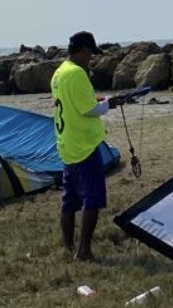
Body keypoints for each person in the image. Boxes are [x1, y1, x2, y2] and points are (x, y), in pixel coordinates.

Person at [52, 31, 129, 262]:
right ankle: (84, 251)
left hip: (66, 144)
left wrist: (101, 102)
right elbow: (89, 110)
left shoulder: (59, 73)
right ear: (83, 50)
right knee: (91, 199)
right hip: (83, 146)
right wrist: (108, 104)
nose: (91, 59)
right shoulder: (77, 73)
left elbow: (75, 102)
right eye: (90, 54)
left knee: (69, 200)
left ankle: (68, 246)